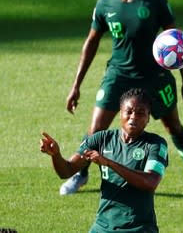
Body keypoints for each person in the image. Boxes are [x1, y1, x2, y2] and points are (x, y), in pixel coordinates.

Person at [61, 0, 183, 195]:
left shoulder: (155, 1)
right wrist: (76, 85)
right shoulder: (104, 5)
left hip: (154, 77)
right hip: (118, 76)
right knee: (96, 130)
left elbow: (177, 41)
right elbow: (91, 43)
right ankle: (81, 173)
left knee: (173, 127)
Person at [40, 88, 169, 233]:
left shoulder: (155, 144)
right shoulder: (101, 139)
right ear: (120, 113)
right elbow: (66, 170)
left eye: (140, 113)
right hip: (103, 227)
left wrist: (108, 163)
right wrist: (55, 155)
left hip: (138, 229)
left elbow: (150, 182)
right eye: (129, 111)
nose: (133, 117)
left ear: (148, 118)